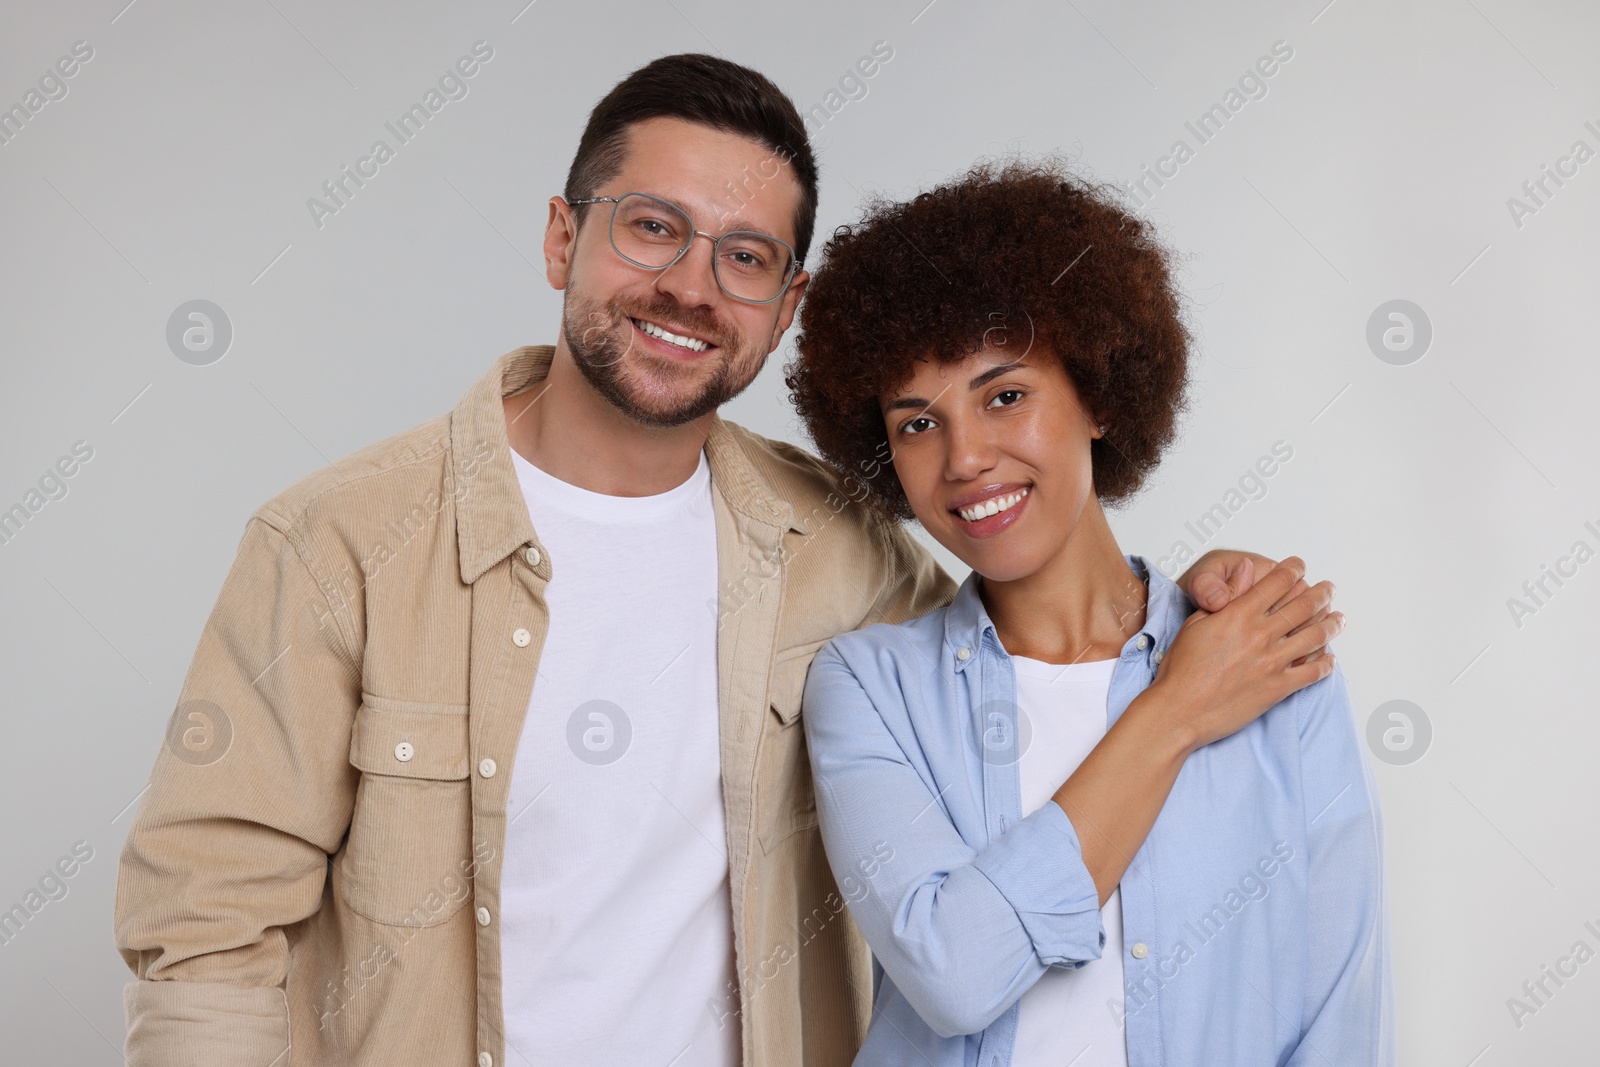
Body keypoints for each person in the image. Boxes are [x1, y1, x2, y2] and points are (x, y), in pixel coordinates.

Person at [113, 56, 1325, 1067]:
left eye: (743, 256)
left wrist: (1195, 586)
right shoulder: (338, 544)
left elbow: (1017, 594)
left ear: (786, 302)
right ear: (560, 237)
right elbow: (207, 929)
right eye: (653, 227)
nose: (690, 285)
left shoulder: (838, 547)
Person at [788, 158, 1393, 1066]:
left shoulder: (1267, 656)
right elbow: (953, 974)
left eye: (1005, 395)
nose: (964, 458)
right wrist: (1177, 709)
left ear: (1099, 398)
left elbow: (1342, 1012)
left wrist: (1199, 662)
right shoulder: (868, 688)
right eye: (917, 422)